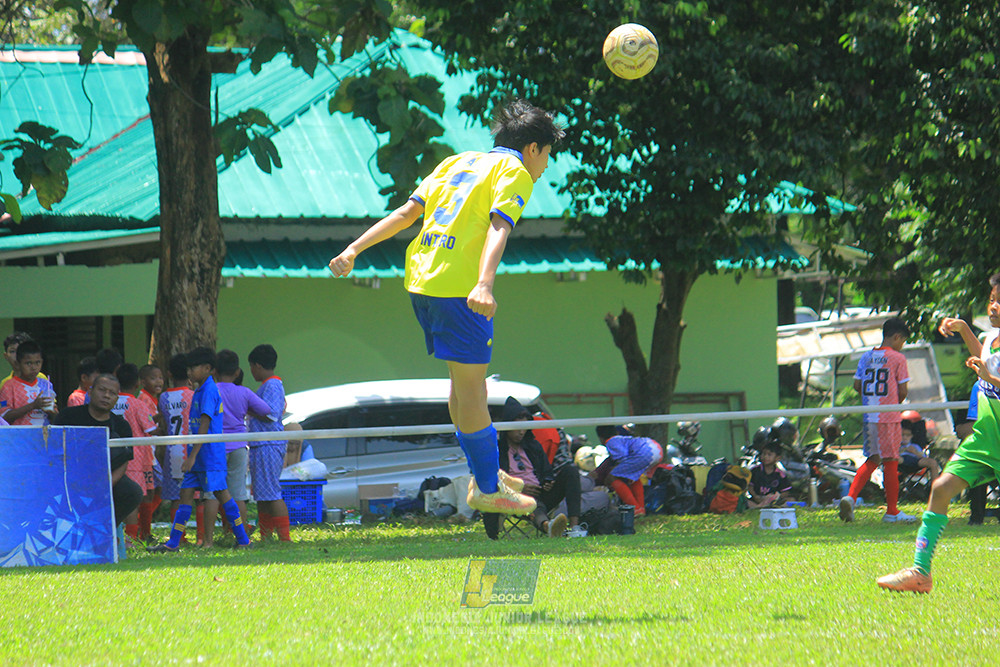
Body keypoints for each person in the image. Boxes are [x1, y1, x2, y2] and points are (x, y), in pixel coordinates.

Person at [327, 99, 563, 520]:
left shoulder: (457, 162)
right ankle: (488, 489)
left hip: (423, 283)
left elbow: (406, 214)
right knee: (473, 391)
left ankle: (484, 475)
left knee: (465, 388)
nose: (545, 165)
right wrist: (484, 283)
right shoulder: (514, 172)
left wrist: (353, 249)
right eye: (547, 154)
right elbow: (499, 227)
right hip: (460, 291)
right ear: (532, 148)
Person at [879, 274, 1000, 592]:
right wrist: (964, 329)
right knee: (941, 488)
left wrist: (990, 378)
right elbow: (985, 361)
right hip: (986, 439)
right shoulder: (991, 337)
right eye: (992, 299)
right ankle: (920, 572)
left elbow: (990, 373)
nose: (993, 306)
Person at [149, 347, 251, 552]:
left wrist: (192, 456)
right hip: (198, 456)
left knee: (223, 495)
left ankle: (243, 539)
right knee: (185, 496)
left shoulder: (210, 391)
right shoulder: (199, 390)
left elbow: (205, 424)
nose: (189, 372)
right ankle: (173, 543)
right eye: (188, 368)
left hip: (209, 456)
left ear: (207, 368)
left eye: (193, 367)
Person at [839, 317, 915, 524]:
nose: (902, 345)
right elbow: (902, 391)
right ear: (897, 337)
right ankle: (892, 511)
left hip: (869, 415)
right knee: (891, 461)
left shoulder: (866, 356)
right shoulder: (898, 358)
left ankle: (850, 497)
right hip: (888, 416)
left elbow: (857, 385)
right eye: (903, 341)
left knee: (873, 459)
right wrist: (892, 402)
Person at [54, 374, 143, 529]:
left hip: (104, 478)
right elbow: (53, 449)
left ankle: (103, 529)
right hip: (68, 475)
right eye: (102, 390)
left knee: (132, 492)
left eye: (112, 393)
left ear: (116, 399)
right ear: (90, 391)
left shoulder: (121, 426)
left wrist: (105, 485)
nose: (106, 396)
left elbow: (124, 461)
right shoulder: (68, 416)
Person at [493, 396, 584, 539]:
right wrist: (518, 487)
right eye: (517, 428)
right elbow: (493, 479)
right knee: (532, 503)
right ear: (507, 427)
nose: (521, 432)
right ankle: (548, 526)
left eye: (524, 428)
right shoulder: (497, 450)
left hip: (540, 492)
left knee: (570, 471)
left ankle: (574, 528)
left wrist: (547, 481)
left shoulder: (533, 446)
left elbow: (546, 471)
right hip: (513, 497)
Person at [208, 349, 271, 546]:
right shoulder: (244, 392)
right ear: (237, 372)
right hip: (238, 446)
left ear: (214, 371)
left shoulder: (210, 390)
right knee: (238, 495)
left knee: (211, 495)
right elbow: (266, 410)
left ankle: (206, 540)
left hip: (214, 447)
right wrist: (246, 409)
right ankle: (242, 537)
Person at [246, 344, 291, 542]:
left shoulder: (272, 385)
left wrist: (249, 408)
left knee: (272, 492)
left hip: (268, 444)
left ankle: (284, 537)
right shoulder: (268, 385)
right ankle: (266, 536)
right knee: (262, 494)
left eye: (251, 367)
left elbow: (271, 414)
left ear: (257, 365)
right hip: (260, 445)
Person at [158, 353, 203, 543]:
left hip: (172, 452)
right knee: (199, 496)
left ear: (169, 373)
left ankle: (180, 537)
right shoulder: (194, 395)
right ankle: (201, 537)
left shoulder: (164, 397)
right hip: (193, 450)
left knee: (177, 498)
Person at [115, 362, 157, 541]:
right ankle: (131, 538)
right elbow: (151, 429)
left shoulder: (110, 402)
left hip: (113, 456)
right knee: (133, 498)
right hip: (135, 458)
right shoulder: (138, 404)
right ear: (137, 383)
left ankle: (119, 536)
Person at [594, 424, 663, 517]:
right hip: (656, 449)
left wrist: (612, 472)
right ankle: (641, 509)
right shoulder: (623, 439)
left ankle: (635, 509)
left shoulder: (611, 441)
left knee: (612, 478)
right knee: (633, 477)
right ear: (616, 432)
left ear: (600, 438)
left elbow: (622, 456)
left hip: (646, 453)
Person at [0, 340, 57, 426]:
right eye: (28, 363)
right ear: (18, 364)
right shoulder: (8, 387)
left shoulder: (46, 384)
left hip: (44, 433)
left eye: (37, 362)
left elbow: (54, 417)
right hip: (20, 434)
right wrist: (33, 406)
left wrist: (52, 411)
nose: (34, 367)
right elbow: (4, 417)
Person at [747, 440, 793, 509]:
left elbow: (785, 492)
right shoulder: (755, 471)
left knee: (791, 500)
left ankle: (767, 507)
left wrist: (776, 496)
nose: (765, 456)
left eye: (769, 454)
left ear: (778, 458)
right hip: (757, 499)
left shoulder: (780, 475)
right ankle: (759, 507)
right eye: (764, 454)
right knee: (745, 501)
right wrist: (755, 496)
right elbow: (750, 487)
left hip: (773, 501)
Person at [899, 412, 941, 481]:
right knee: (895, 459)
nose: (905, 437)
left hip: (915, 460)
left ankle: (935, 485)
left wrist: (915, 452)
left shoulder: (914, 446)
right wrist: (902, 450)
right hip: (902, 460)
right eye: (902, 435)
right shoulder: (897, 445)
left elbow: (923, 456)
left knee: (932, 462)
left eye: (908, 435)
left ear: (911, 436)